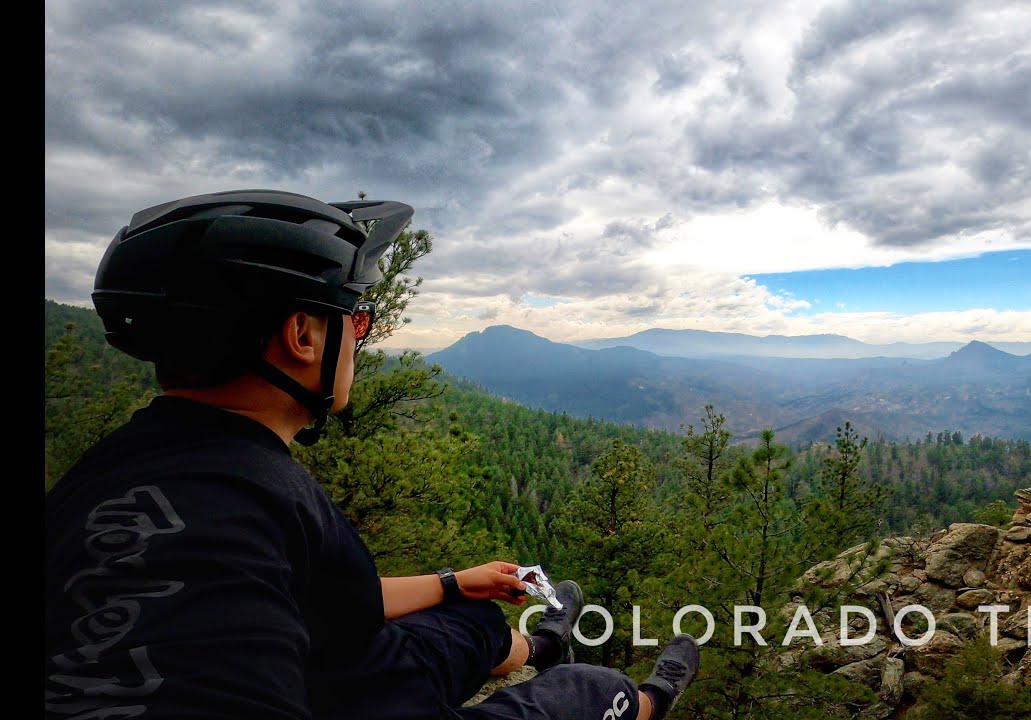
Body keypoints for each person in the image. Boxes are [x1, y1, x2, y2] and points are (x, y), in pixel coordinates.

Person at [44, 189, 699, 720]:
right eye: (355, 317)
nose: (364, 335)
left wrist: (452, 582)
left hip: (347, 670)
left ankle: (541, 644)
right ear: (301, 335)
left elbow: (316, 602)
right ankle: (650, 701)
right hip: (352, 695)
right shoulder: (249, 488)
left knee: (471, 616)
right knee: (588, 692)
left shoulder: (121, 474)